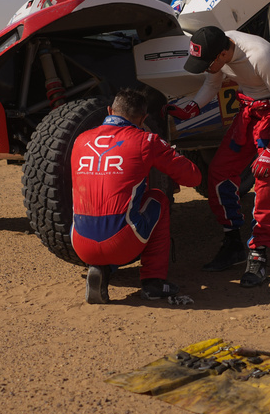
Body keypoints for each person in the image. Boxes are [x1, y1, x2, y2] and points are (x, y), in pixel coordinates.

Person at [164, 26, 270, 287]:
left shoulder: (259, 55)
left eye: (207, 63)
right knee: (219, 172)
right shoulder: (218, 49)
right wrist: (194, 108)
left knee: (266, 180)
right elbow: (213, 82)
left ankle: (259, 254)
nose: (206, 67)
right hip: (250, 110)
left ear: (222, 54)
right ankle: (232, 243)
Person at [71, 88, 201, 304]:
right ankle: (153, 282)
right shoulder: (146, 140)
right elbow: (194, 178)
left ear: (110, 110)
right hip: (123, 243)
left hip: (80, 243)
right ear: (144, 118)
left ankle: (101, 267)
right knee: (158, 197)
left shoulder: (80, 140)